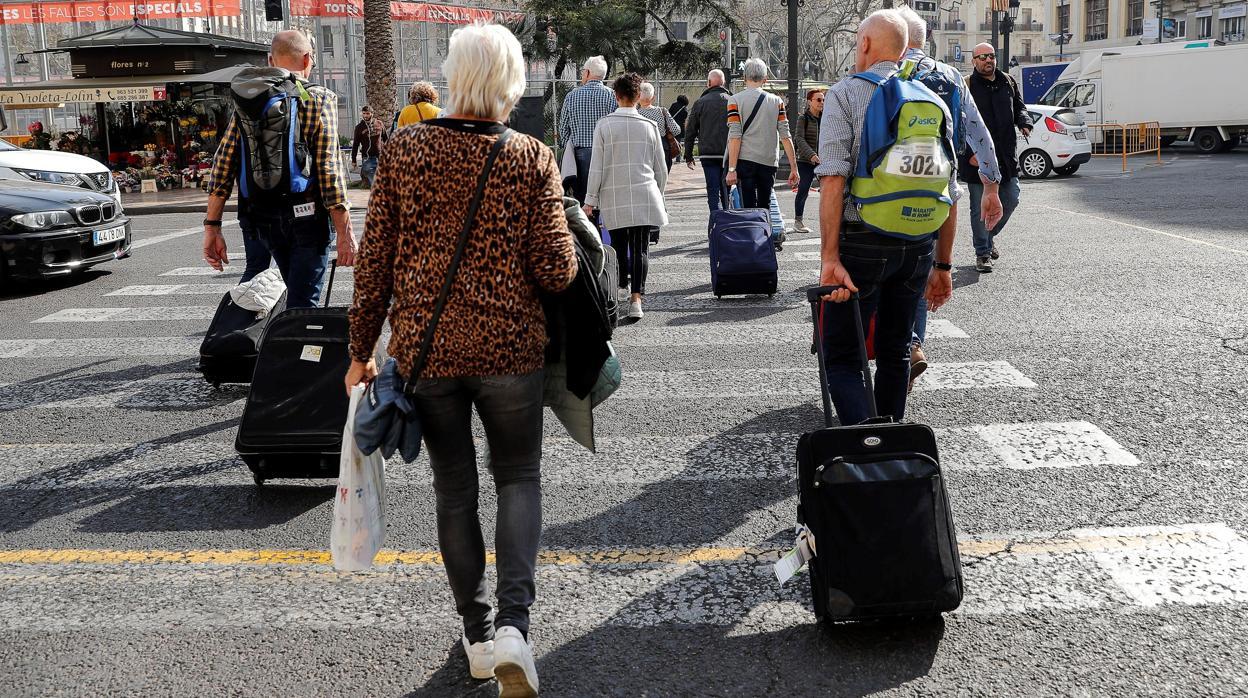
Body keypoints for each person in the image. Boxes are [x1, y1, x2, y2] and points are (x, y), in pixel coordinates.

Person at [345, 23, 577, 698]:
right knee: (518, 479)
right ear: (510, 81)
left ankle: (476, 637)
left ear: (453, 74)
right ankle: (514, 628)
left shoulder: (404, 150)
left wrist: (360, 351)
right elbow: (557, 271)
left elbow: (374, 263)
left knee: (455, 488)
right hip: (510, 350)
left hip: (427, 351)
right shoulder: (531, 156)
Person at [815, 9, 954, 425]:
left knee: (842, 357)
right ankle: (890, 444)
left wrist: (828, 257)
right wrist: (942, 264)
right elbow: (949, 188)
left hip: (862, 241)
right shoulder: (931, 99)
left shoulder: (845, 93)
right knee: (895, 351)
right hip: (917, 245)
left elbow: (834, 180)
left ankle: (865, 445)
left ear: (865, 44)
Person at [203, 29, 355, 308]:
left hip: (262, 217)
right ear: (308, 58)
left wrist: (212, 226)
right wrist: (345, 233)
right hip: (307, 218)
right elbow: (328, 168)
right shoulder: (319, 98)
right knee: (303, 303)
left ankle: (283, 342)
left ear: (270, 59)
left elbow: (223, 163)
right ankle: (293, 347)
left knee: (294, 296)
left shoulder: (249, 101)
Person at [896, 6, 1004, 389]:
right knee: (925, 267)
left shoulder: (883, 74)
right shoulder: (952, 78)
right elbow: (978, 131)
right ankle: (913, 345)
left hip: (886, 193)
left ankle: (898, 347)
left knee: (887, 271)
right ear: (925, 40)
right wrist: (991, 184)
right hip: (940, 192)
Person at [583, 73, 669, 322]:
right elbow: (660, 169)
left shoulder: (604, 125)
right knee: (641, 247)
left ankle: (620, 286)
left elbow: (597, 167)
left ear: (616, 96)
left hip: (613, 193)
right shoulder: (650, 126)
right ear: (637, 96)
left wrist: (590, 200)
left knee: (618, 244)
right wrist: (659, 193)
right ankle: (636, 299)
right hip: (644, 192)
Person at [963, 42, 1031, 273]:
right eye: (981, 57)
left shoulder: (1008, 82)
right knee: (979, 208)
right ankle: (982, 252)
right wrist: (968, 153)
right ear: (973, 61)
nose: (987, 60)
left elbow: (1020, 107)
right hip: (977, 159)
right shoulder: (967, 85)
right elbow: (958, 122)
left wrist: (1024, 122)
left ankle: (988, 238)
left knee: (1012, 198)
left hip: (1005, 155)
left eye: (990, 56)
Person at [725, 58, 800, 209]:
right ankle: (765, 231)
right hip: (769, 160)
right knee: (765, 205)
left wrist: (731, 169)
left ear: (744, 78)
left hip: (745, 160)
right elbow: (785, 136)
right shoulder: (777, 101)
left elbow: (735, 137)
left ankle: (752, 231)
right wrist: (794, 168)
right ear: (765, 79)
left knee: (748, 206)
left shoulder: (735, 100)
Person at [558, 55, 617, 206]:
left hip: (580, 153)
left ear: (588, 73)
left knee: (582, 197)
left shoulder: (572, 96)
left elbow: (563, 127)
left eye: (583, 71)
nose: (582, 74)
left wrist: (567, 148)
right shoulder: (611, 95)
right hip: (606, 152)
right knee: (605, 195)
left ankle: (587, 226)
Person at [682, 69, 731, 212]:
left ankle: (715, 219)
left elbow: (690, 131)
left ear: (709, 83)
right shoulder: (732, 101)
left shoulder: (700, 103)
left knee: (712, 188)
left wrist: (688, 155)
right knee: (726, 189)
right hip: (727, 153)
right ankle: (728, 218)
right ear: (723, 83)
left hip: (708, 154)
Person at [792, 89, 824, 233]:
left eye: (823, 100)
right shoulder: (803, 118)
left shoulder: (826, 118)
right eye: (818, 100)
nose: (821, 103)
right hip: (806, 161)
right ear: (809, 101)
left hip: (823, 161)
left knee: (829, 191)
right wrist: (811, 155)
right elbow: (799, 138)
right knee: (803, 189)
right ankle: (798, 221)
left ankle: (832, 222)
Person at [637, 81, 682, 172]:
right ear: (653, 97)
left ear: (638, 97)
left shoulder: (635, 113)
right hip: (662, 148)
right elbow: (676, 130)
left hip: (642, 150)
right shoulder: (662, 111)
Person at [351, 105, 385, 188]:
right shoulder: (359, 127)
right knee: (374, 182)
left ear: (372, 114)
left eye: (368, 113)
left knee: (384, 178)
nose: (365, 115)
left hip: (380, 156)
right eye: (364, 113)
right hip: (368, 158)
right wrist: (354, 160)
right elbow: (355, 144)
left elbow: (386, 138)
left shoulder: (379, 124)